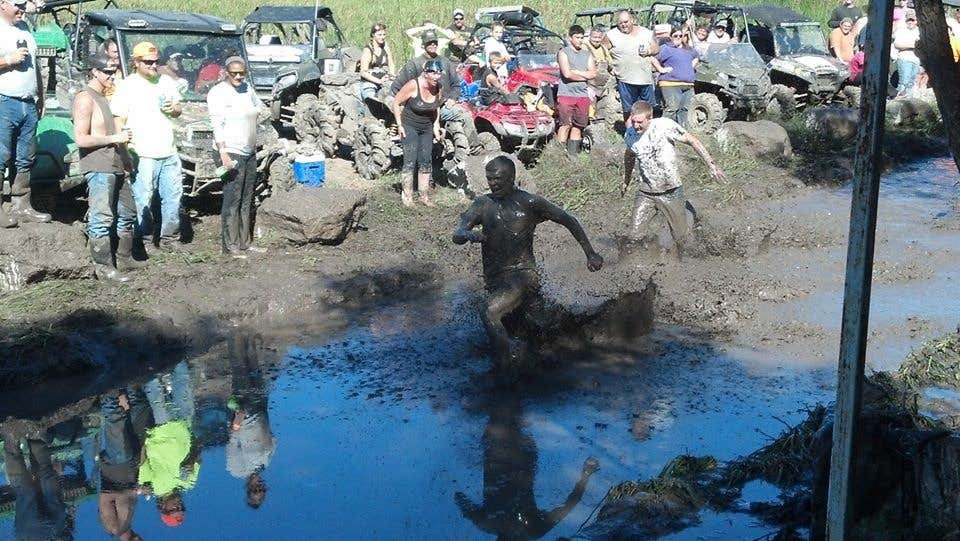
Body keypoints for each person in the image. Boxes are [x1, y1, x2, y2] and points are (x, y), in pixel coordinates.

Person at [453, 156, 603, 369]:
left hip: (522, 276)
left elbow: (567, 219)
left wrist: (591, 253)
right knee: (537, 326)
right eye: (489, 179)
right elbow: (457, 234)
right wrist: (467, 234)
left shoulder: (530, 202)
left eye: (498, 179)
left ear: (512, 177)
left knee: (490, 312)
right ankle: (590, 330)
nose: (493, 183)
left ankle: (504, 369)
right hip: (496, 281)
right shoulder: (482, 204)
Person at [621, 101, 724, 253]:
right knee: (633, 236)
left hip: (670, 190)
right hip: (646, 192)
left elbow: (692, 141)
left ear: (650, 118)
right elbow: (629, 155)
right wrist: (626, 180)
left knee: (681, 238)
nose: (636, 126)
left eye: (640, 122)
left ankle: (693, 260)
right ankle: (637, 263)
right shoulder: (630, 134)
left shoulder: (664, 126)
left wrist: (712, 165)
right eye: (634, 121)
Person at [73, 53, 142, 281]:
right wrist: (115, 138)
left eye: (114, 72)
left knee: (128, 212)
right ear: (94, 71)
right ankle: (103, 267)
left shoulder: (104, 97)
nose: (113, 76)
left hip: (115, 164)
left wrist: (125, 157)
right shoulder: (85, 98)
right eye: (108, 72)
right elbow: (81, 139)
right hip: (98, 165)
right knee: (101, 217)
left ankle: (124, 258)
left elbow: (116, 136)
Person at [112, 41, 184, 253]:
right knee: (143, 198)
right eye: (148, 62)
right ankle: (144, 239)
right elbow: (118, 120)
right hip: (142, 152)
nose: (153, 65)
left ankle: (171, 237)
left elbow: (178, 109)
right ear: (136, 62)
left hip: (168, 150)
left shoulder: (166, 82)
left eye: (156, 61)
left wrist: (174, 109)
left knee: (173, 196)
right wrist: (123, 151)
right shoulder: (127, 86)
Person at [0, 0, 51, 228]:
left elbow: (35, 66)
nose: (22, 8)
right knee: (1, 155)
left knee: (26, 156)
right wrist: (7, 60)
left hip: (28, 101)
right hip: (4, 100)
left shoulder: (24, 28)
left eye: (24, 4)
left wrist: (40, 96)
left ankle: (22, 205)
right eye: (17, 4)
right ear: (2, 3)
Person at [207, 56, 265, 258]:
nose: (238, 77)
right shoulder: (218, 93)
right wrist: (223, 153)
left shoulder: (248, 89)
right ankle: (229, 246)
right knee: (232, 198)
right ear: (226, 72)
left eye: (242, 73)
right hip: (230, 151)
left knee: (247, 197)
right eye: (234, 73)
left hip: (249, 150)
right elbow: (216, 125)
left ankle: (245, 242)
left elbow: (260, 107)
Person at [391, 31, 481, 150]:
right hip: (422, 109)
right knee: (463, 115)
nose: (433, 45)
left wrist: (453, 98)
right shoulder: (414, 64)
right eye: (429, 43)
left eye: (435, 42)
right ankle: (475, 148)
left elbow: (456, 85)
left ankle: (474, 147)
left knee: (465, 114)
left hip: (442, 105)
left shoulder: (446, 62)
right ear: (423, 45)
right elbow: (396, 87)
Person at [225, 333, 275, 510]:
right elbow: (271, 438)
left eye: (255, 489)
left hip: (243, 414)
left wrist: (237, 421)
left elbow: (231, 443)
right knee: (255, 368)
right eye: (262, 488)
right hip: (260, 407)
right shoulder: (266, 463)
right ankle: (249, 333)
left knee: (240, 369)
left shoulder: (236, 470)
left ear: (248, 488)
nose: (258, 485)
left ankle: (233, 332)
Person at [99, 387, 152, 541]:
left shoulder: (113, 527)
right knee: (141, 411)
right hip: (133, 463)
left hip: (117, 466)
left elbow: (105, 496)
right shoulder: (127, 522)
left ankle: (108, 386)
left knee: (116, 419)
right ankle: (132, 379)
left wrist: (134, 492)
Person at [2, 426, 70, 540]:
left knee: (46, 475)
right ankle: (11, 433)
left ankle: (35, 432)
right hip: (29, 534)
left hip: (56, 530)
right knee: (23, 490)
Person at [394, 58, 443, 207]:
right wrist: (399, 125)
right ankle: (407, 195)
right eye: (433, 73)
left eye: (439, 73)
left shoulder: (438, 87)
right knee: (410, 159)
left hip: (426, 127)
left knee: (426, 160)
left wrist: (436, 125)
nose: (436, 77)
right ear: (425, 73)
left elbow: (436, 107)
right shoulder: (413, 85)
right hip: (410, 125)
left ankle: (424, 195)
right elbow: (396, 102)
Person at [602, 10, 659, 121]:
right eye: (620, 23)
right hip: (625, 78)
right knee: (628, 109)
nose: (623, 25)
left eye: (626, 22)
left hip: (644, 78)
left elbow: (656, 48)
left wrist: (648, 51)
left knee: (647, 108)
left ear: (632, 20)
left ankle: (648, 132)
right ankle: (630, 134)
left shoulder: (645, 32)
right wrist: (609, 65)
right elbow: (602, 50)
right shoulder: (611, 35)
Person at [556, 25, 596, 156]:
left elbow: (593, 74)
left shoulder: (587, 54)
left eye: (582, 37)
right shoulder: (564, 53)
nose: (580, 40)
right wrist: (584, 76)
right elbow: (567, 74)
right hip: (566, 95)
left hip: (582, 95)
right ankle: (559, 156)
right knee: (565, 125)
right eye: (577, 37)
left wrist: (578, 72)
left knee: (578, 126)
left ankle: (572, 155)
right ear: (570, 38)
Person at [652, 25, 699, 128]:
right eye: (675, 35)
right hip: (670, 83)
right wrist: (661, 69)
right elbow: (654, 59)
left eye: (680, 35)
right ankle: (663, 130)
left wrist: (691, 66)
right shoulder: (666, 48)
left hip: (688, 85)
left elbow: (697, 57)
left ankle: (681, 131)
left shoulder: (689, 49)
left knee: (685, 109)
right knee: (672, 108)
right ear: (670, 36)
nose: (678, 37)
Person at [359, 23, 395, 101]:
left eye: (384, 35)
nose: (382, 37)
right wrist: (379, 81)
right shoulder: (368, 50)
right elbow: (363, 72)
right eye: (379, 35)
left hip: (384, 78)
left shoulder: (385, 46)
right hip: (370, 81)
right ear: (373, 35)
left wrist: (391, 75)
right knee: (371, 99)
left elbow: (391, 63)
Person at [892, 14, 921, 98]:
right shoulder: (901, 31)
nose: (910, 22)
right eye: (909, 20)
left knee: (911, 82)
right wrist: (913, 45)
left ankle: (909, 100)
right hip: (904, 59)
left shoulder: (919, 31)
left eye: (912, 20)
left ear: (916, 21)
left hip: (916, 59)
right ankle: (898, 100)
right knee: (904, 82)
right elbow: (897, 44)